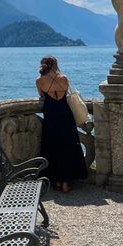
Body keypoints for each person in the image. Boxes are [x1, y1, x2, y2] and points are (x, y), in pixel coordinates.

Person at [36, 55, 87, 192]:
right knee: (68, 147)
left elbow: (41, 96)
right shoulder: (64, 78)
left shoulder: (39, 81)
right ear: (55, 65)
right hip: (65, 115)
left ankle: (57, 181)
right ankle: (65, 182)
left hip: (51, 117)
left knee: (53, 148)